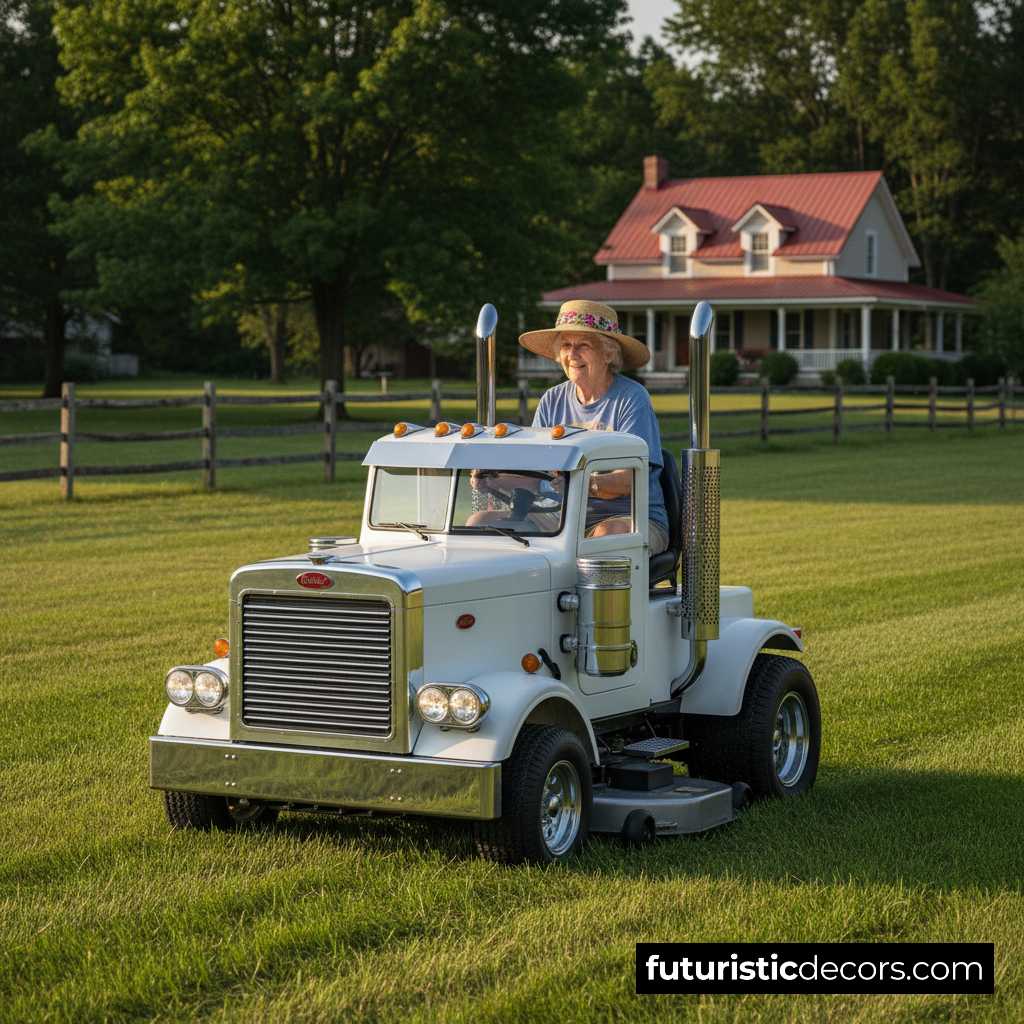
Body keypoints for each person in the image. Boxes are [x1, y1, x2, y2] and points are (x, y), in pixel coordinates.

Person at [517, 299, 669, 555]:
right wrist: (492, 478)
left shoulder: (631, 399)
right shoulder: (551, 400)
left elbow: (630, 480)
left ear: (608, 354)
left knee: (605, 540)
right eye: (566, 345)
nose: (572, 355)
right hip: (558, 519)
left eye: (583, 346)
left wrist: (577, 481)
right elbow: (535, 470)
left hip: (628, 518)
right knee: (483, 527)